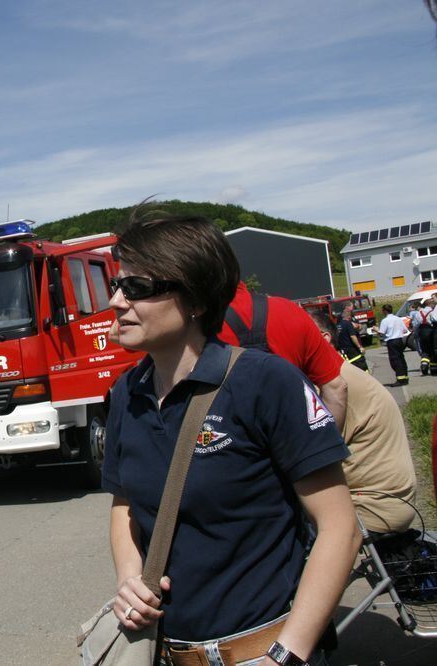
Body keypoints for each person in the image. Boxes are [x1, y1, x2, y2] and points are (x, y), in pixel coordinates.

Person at [101, 212, 360, 666]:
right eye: (117, 286)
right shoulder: (127, 393)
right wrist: (129, 576)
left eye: (137, 288)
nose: (117, 301)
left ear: (196, 298)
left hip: (265, 651)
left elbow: (340, 527)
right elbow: (125, 505)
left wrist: (288, 653)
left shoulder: (265, 382)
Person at [308, 311, 417, 535]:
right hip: (389, 502)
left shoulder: (333, 386)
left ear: (323, 338)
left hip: (370, 511)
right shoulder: (343, 375)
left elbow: (311, 457)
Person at [220, 283, 348, 430]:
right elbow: (336, 387)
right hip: (298, 441)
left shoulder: (199, 326)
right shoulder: (289, 310)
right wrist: (323, 444)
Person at [377, 304, 410, 386]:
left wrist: (376, 330)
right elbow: (405, 330)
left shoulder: (385, 321)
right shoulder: (398, 319)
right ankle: (405, 377)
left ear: (385, 311)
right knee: (401, 358)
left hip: (391, 341)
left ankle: (400, 379)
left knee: (395, 360)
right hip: (399, 340)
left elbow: (381, 333)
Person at [336, 305, 369, 372]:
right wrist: (360, 347)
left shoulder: (338, 326)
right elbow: (352, 336)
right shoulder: (348, 324)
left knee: (351, 367)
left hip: (344, 350)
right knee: (361, 366)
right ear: (349, 316)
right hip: (352, 349)